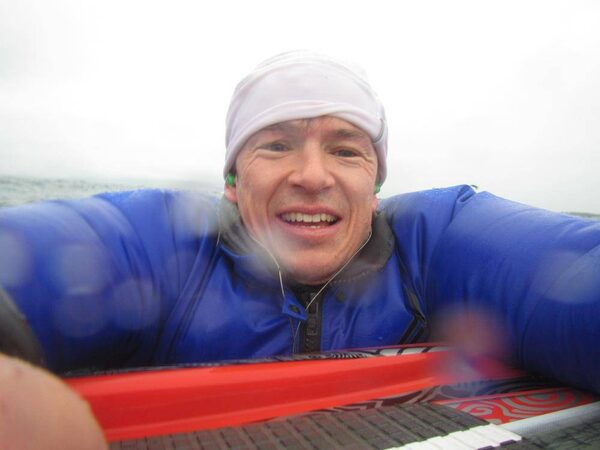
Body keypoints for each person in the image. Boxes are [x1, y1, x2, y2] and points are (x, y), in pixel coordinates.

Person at [1, 50, 600, 401]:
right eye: (276, 144)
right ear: (232, 181)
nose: (313, 176)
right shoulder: (168, 244)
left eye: (346, 150)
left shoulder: (435, 242)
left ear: (375, 184)